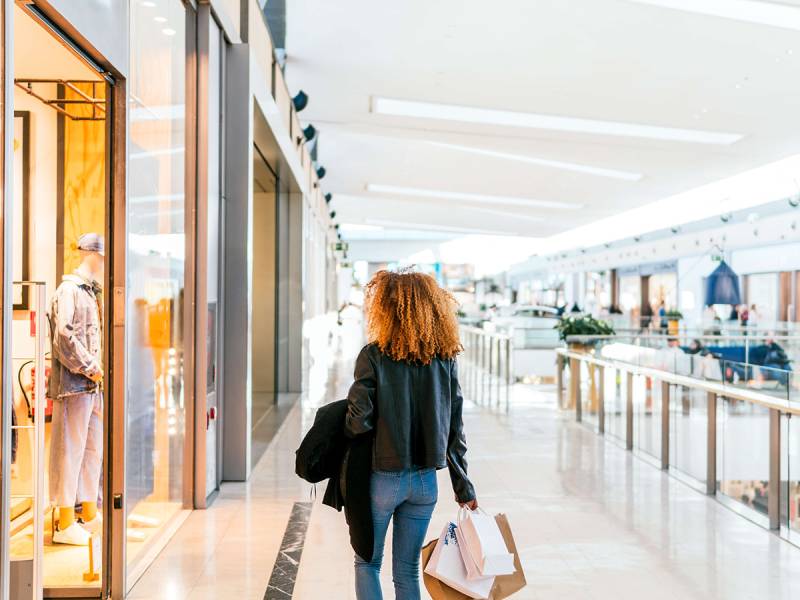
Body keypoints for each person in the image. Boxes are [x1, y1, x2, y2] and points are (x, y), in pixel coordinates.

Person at [344, 269, 477, 600]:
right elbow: (454, 430)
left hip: (382, 479)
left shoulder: (372, 356)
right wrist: (464, 487)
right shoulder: (444, 360)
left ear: (386, 309)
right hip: (424, 483)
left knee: (367, 563)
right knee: (406, 571)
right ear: (434, 309)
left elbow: (358, 422)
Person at [47, 233, 104, 546]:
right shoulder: (69, 291)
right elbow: (65, 339)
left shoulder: (90, 292)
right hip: (75, 385)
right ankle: (66, 520)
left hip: (91, 386)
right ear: (92, 254)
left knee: (91, 450)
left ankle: (87, 513)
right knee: (70, 451)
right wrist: (91, 367)